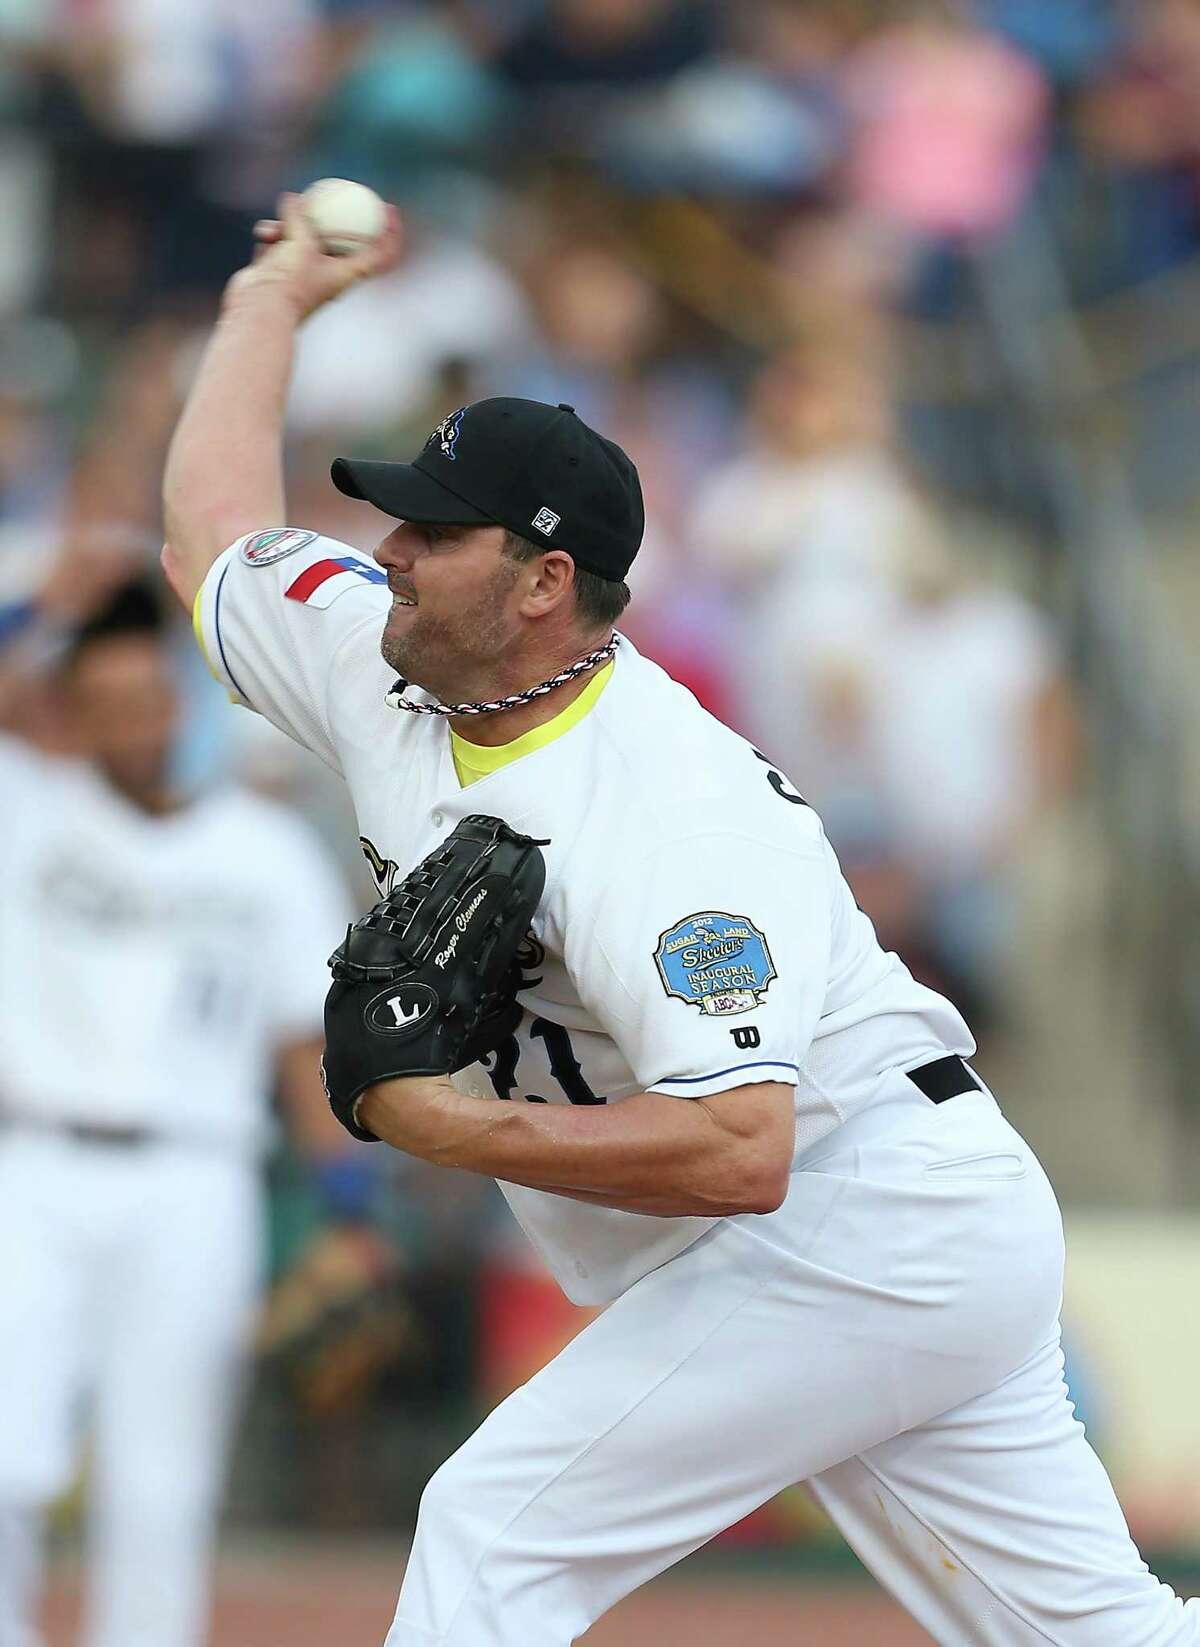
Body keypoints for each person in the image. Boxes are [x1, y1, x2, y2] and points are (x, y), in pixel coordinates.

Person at [159, 193, 1199, 1647]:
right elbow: (210, 535)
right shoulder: (379, 655)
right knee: (1096, 1631)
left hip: (861, 1209)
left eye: (435, 528)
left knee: (491, 1530)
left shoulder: (667, 809)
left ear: (542, 581)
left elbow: (741, 1147)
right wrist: (265, 308)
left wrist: (445, 1127)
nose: (390, 545)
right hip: (887, 1224)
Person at [0, 578, 357, 1647]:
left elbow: (307, 1045)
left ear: (183, 707)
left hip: (200, 1176)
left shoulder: (266, 850)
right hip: (37, 1161)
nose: (132, 719)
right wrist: (45, 611)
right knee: (6, 1453)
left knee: (163, 1481)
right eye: (101, 700)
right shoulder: (27, 812)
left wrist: (347, 1214)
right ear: (64, 712)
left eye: (148, 697)